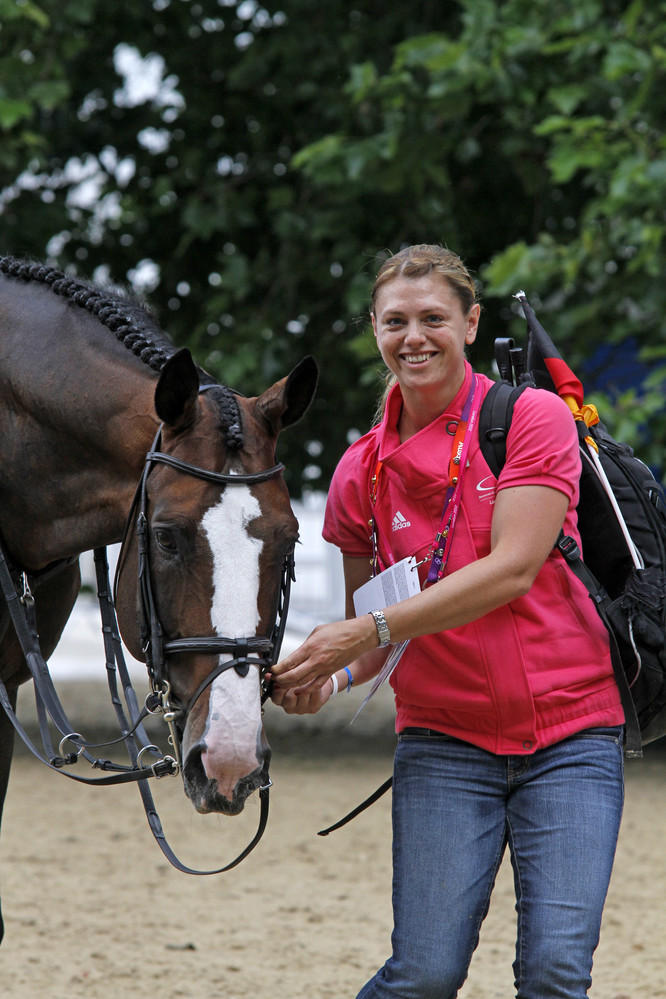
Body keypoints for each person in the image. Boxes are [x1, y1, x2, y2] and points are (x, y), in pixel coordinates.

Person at [270, 244, 625, 999]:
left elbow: (513, 569)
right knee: (424, 975)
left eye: (434, 317)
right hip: (442, 743)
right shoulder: (355, 472)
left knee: (555, 972)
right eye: (395, 320)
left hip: (572, 733)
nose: (414, 336)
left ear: (470, 323)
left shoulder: (530, 418)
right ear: (374, 329)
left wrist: (366, 635)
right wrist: (326, 677)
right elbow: (369, 636)